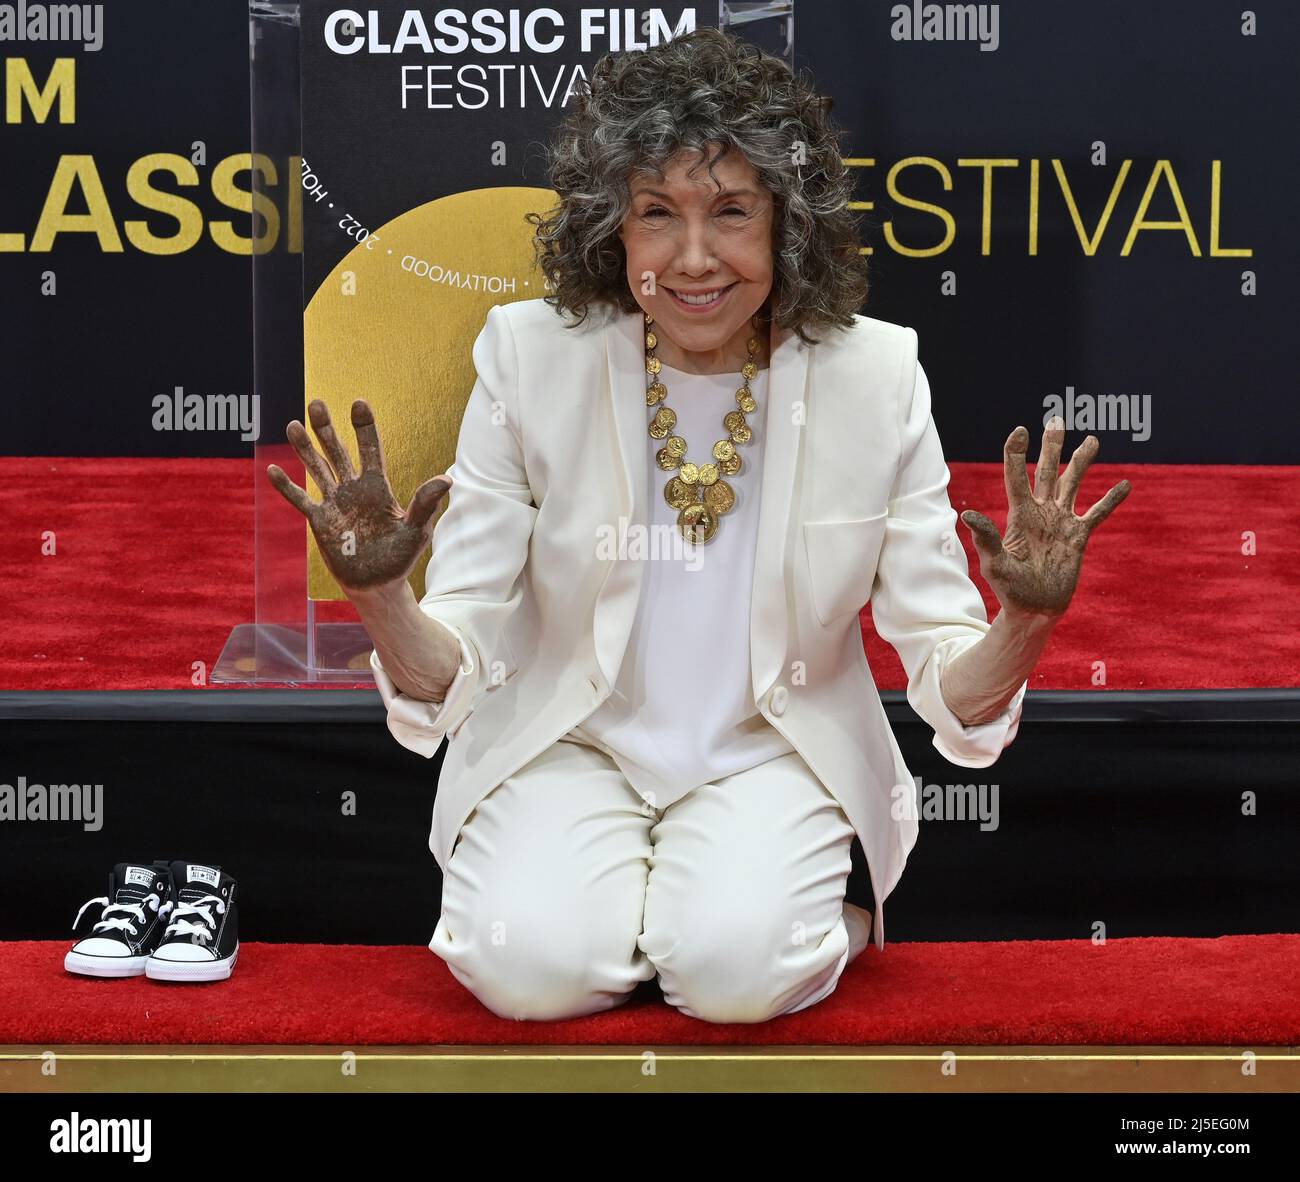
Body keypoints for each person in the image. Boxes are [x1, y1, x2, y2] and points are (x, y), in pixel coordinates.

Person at [268, 28, 1129, 1023]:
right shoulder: (528, 354)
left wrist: (1024, 621)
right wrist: (379, 595)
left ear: (786, 223)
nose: (691, 258)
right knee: (526, 977)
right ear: (610, 229)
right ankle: (665, 916)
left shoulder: (875, 377)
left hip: (774, 748)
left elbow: (950, 691)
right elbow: (449, 663)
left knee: (736, 979)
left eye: (730, 212)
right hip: (564, 741)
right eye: (654, 215)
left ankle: (765, 923)